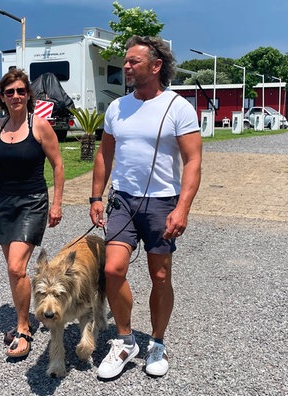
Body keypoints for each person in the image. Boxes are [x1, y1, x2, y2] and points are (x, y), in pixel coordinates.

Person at [89, 35, 202, 379]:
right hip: (123, 200)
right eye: (126, 61)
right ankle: (125, 341)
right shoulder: (117, 107)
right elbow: (104, 154)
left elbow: (193, 160)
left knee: (161, 275)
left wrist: (182, 208)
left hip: (162, 202)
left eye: (133, 62)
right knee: (112, 270)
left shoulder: (178, 107)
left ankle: (157, 342)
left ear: (156, 66)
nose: (126, 67)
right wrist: (96, 197)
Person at [0, 69, 64, 359]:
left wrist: (57, 204)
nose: (16, 96)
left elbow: (57, 165)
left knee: (17, 267)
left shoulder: (40, 126)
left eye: (20, 91)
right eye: (10, 92)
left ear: (27, 94)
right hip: (4, 202)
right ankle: (25, 317)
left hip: (32, 202)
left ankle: (23, 329)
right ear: (2, 97)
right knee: (14, 270)